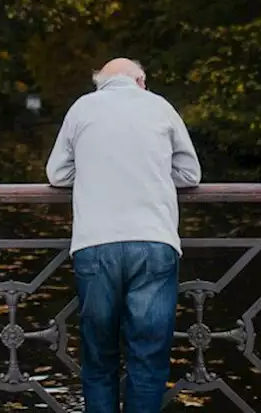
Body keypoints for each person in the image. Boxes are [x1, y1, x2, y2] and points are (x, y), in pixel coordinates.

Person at [45, 57, 201, 413]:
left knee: (99, 359)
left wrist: (93, 172)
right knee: (148, 358)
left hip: (95, 245)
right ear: (141, 80)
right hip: (153, 243)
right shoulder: (160, 106)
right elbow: (190, 174)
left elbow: (56, 174)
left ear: (100, 84)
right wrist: (153, 173)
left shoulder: (82, 108)